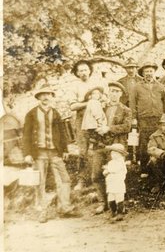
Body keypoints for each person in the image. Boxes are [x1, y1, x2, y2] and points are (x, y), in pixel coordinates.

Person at [22, 86, 80, 223]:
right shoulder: (31, 114)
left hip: (55, 152)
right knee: (40, 182)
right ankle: (42, 211)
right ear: (38, 97)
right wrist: (27, 153)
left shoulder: (55, 113)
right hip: (39, 153)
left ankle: (64, 208)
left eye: (48, 94)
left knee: (64, 179)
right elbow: (26, 135)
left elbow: (62, 133)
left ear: (51, 97)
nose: (45, 97)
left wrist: (65, 150)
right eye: (42, 95)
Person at [91, 82, 132, 214]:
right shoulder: (101, 107)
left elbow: (127, 127)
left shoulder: (126, 110)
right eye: (112, 91)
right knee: (96, 174)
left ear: (121, 94)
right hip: (100, 144)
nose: (114, 94)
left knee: (116, 175)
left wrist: (109, 128)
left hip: (116, 146)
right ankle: (103, 202)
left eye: (117, 91)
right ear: (108, 93)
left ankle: (119, 203)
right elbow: (92, 124)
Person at [69, 60, 108, 191]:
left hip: (96, 120)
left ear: (89, 70)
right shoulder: (74, 87)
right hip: (82, 121)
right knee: (83, 151)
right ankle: (82, 179)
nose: (83, 73)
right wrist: (90, 103)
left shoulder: (97, 84)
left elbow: (105, 99)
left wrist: (98, 103)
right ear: (77, 73)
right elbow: (73, 106)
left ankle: (97, 178)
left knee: (98, 148)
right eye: (80, 70)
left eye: (85, 69)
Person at [130, 62, 165, 178]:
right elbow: (132, 104)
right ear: (142, 73)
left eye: (151, 71)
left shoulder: (161, 86)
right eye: (146, 71)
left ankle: (161, 167)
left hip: (158, 119)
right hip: (144, 119)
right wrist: (134, 118)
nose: (149, 73)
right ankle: (144, 169)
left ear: (154, 72)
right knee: (144, 143)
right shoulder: (137, 87)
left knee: (160, 142)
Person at [103, 143, 128, 221]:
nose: (113, 155)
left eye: (116, 153)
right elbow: (105, 172)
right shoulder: (111, 162)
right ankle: (113, 212)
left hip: (118, 183)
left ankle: (120, 213)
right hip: (111, 184)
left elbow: (114, 169)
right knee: (111, 199)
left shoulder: (121, 163)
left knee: (119, 198)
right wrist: (105, 171)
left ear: (121, 155)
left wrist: (107, 170)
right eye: (112, 153)